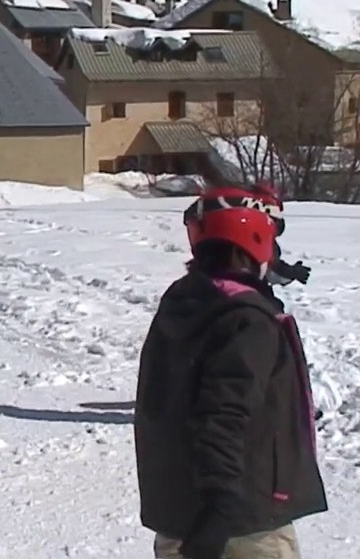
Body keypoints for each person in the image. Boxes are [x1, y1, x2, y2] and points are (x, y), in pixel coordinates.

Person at [136, 186, 326, 559]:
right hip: (241, 518)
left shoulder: (185, 301)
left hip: (179, 512)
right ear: (254, 240)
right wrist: (220, 505)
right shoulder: (246, 318)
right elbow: (224, 413)